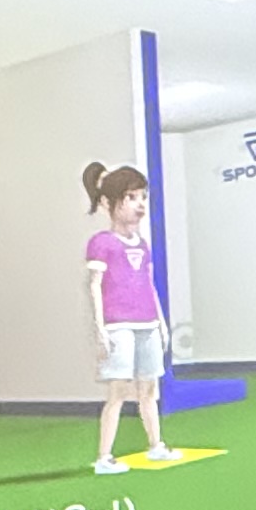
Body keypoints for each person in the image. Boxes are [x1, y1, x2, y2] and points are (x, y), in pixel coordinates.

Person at [82, 161, 169, 475]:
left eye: (142, 196)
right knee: (118, 391)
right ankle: (104, 456)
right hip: (119, 324)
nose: (139, 204)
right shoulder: (101, 243)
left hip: (147, 322)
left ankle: (156, 445)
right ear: (109, 202)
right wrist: (100, 328)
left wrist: (161, 322)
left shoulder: (143, 245)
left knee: (149, 388)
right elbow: (94, 286)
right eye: (131, 197)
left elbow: (149, 284)